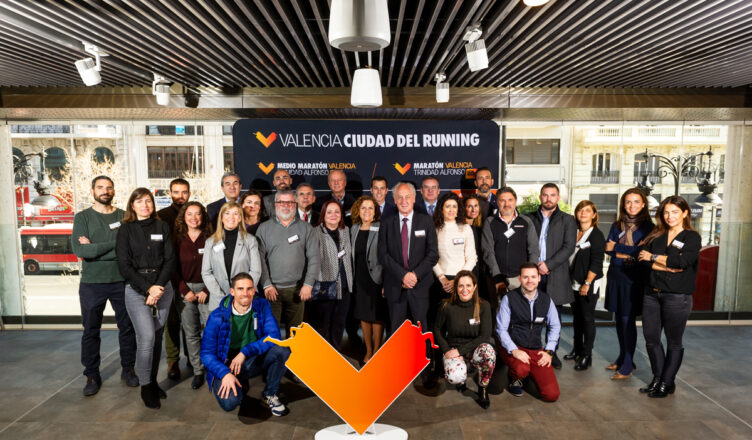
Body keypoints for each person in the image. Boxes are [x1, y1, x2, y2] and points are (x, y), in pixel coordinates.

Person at [71, 175, 137, 396]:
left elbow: (129, 250)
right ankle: (91, 375)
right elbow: (81, 251)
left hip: (121, 281)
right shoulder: (82, 218)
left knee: (127, 328)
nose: (105, 191)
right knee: (91, 331)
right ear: (92, 191)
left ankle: (128, 369)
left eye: (109, 188)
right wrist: (115, 246)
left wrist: (96, 248)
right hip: (92, 284)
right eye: (100, 187)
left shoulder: (124, 217)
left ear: (114, 191)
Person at [115, 187, 176, 409]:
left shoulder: (162, 226)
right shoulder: (125, 229)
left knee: (157, 337)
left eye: (148, 201)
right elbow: (124, 266)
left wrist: (158, 287)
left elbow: (170, 260)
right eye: (140, 201)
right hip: (136, 289)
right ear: (132, 205)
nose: (145, 205)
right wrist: (147, 289)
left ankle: (153, 382)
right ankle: (145, 386)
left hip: (163, 288)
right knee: (147, 337)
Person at [200, 272, 291, 416]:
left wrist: (245, 352)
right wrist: (224, 373)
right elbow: (206, 354)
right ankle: (238, 380)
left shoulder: (262, 306)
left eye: (249, 289)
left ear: (254, 290)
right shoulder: (217, 316)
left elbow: (273, 336)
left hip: (250, 358)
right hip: (227, 365)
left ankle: (269, 394)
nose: (245, 293)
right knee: (230, 402)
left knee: (282, 350)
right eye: (240, 289)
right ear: (232, 291)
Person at [637, 196, 701, 398]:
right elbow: (642, 259)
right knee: (651, 339)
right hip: (652, 294)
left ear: (685, 213)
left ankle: (667, 382)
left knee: (674, 341)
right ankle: (658, 378)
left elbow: (682, 263)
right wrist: (665, 265)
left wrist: (654, 258)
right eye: (666, 212)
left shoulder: (692, 237)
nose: (669, 216)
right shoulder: (656, 235)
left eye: (674, 212)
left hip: (677, 297)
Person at [378, 182, 438, 383]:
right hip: (396, 285)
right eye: (400, 197)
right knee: (395, 330)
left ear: (414, 199)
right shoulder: (387, 222)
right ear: (394, 200)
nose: (404, 201)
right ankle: (396, 371)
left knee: (423, 329)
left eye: (407, 197)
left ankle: (426, 369)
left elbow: (433, 254)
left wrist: (415, 275)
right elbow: (382, 255)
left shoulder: (425, 221)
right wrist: (403, 275)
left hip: (420, 286)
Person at [604, 188, 654, 380]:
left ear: (643, 204)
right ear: (623, 204)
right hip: (616, 275)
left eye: (636, 201)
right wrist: (628, 251)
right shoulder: (617, 225)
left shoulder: (649, 228)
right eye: (628, 202)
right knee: (619, 319)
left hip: (633, 279)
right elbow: (607, 250)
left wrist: (618, 247)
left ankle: (627, 363)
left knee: (627, 320)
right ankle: (622, 357)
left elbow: (642, 253)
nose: (632, 205)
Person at [256, 190, 320, 337]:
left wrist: (308, 284)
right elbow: (259, 259)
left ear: (295, 204)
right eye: (281, 202)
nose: (286, 205)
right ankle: (274, 353)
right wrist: (266, 284)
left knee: (295, 334)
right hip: (272, 290)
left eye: (290, 202)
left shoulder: (306, 228)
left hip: (298, 290)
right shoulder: (264, 228)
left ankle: (292, 353)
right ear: (275, 204)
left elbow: (314, 258)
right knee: (270, 334)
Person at [526, 183, 576, 369]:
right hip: (532, 274)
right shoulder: (529, 218)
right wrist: (534, 266)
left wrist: (548, 264)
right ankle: (532, 350)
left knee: (554, 316)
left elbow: (568, 247)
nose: (548, 199)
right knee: (530, 313)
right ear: (540, 197)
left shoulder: (568, 220)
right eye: (545, 195)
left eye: (552, 195)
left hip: (555, 273)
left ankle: (551, 352)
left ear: (558, 198)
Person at [496, 263, 561, 402]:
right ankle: (515, 378)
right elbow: (501, 329)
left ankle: (529, 374)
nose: (529, 280)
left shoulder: (546, 300)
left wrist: (549, 351)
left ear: (539, 278)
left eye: (533, 277)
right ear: (519, 278)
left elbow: (555, 326)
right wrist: (514, 350)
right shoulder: (509, 298)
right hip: (515, 346)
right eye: (525, 277)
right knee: (521, 369)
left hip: (536, 349)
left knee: (552, 395)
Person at [434, 271, 495, 409]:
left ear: (474, 287)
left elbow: (485, 336)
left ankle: (483, 388)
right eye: (461, 286)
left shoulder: (483, 306)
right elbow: (437, 329)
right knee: (455, 376)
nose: (464, 289)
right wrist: (447, 350)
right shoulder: (446, 306)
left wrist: (460, 351)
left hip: (474, 349)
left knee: (489, 353)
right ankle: (461, 379)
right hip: (454, 349)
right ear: (456, 287)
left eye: (468, 285)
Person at [172, 201, 213, 389]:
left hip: (208, 289)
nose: (194, 218)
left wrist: (207, 290)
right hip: (185, 290)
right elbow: (172, 268)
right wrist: (185, 290)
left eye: (197, 214)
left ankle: (213, 368)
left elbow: (218, 266)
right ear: (184, 217)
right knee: (191, 333)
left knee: (212, 332)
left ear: (203, 216)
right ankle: (198, 371)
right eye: (189, 214)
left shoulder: (211, 238)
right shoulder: (176, 239)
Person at [157, 178, 191, 382]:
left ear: (189, 193)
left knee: (190, 320)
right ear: (170, 193)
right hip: (168, 276)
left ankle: (192, 357)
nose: (180, 196)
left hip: (190, 274)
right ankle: (173, 361)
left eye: (184, 192)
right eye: (176, 192)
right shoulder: (161, 216)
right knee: (171, 321)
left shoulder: (196, 212)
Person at [309, 199, 353, 352]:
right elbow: (312, 260)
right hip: (324, 286)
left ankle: (336, 354)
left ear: (341, 214)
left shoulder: (346, 231)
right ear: (323, 214)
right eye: (329, 212)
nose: (333, 215)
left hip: (345, 285)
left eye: (337, 212)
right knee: (323, 324)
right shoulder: (315, 232)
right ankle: (323, 356)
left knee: (339, 323)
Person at [566, 200, 605, 371]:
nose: (583, 213)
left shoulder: (596, 235)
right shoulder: (574, 232)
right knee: (577, 318)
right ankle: (577, 349)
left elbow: (597, 262)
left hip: (588, 283)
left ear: (594, 215)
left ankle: (587, 355)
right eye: (580, 210)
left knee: (587, 319)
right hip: (573, 282)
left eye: (587, 210)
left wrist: (587, 283)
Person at [202, 202, 262, 312]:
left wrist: (242, 293)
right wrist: (221, 296)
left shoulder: (250, 240)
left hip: (245, 299)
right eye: (227, 213)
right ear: (221, 218)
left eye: (235, 213)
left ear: (240, 218)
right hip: (218, 301)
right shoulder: (210, 242)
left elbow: (256, 271)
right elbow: (206, 273)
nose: (231, 217)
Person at [482, 187, 539, 297]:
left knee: (522, 306)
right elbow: (488, 251)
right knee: (499, 307)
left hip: (521, 278)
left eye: (510, 200)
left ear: (515, 201)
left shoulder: (526, 221)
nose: (506, 204)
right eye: (502, 200)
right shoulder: (490, 222)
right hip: (497, 278)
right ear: (497, 202)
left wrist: (530, 275)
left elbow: (534, 249)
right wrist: (497, 277)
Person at [431, 193, 477, 330]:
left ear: (458, 210)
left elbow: (472, 257)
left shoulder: (466, 228)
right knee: (440, 321)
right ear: (441, 209)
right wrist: (442, 278)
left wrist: (459, 280)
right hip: (441, 282)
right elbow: (431, 257)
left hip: (463, 282)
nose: (451, 210)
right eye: (447, 206)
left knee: (461, 321)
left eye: (454, 207)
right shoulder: (434, 229)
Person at [349, 196, 386, 364]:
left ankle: (377, 350)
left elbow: (386, 256)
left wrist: (385, 282)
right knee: (364, 315)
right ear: (358, 210)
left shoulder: (381, 227)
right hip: (359, 279)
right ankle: (368, 350)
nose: (367, 211)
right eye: (363, 208)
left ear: (375, 211)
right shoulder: (354, 229)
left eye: (371, 208)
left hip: (377, 279)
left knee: (377, 316)